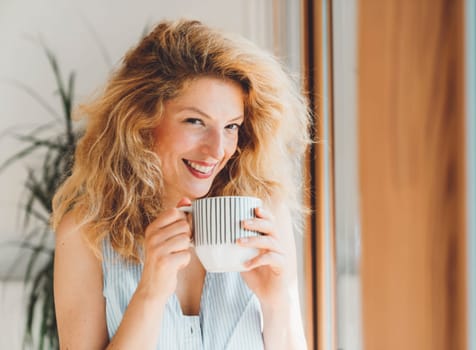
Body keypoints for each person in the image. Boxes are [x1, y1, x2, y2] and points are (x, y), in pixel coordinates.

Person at [52, 19, 310, 350]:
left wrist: (277, 302)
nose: (217, 149)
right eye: (195, 121)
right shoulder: (85, 232)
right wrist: (151, 292)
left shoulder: (262, 214)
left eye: (231, 126)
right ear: (142, 122)